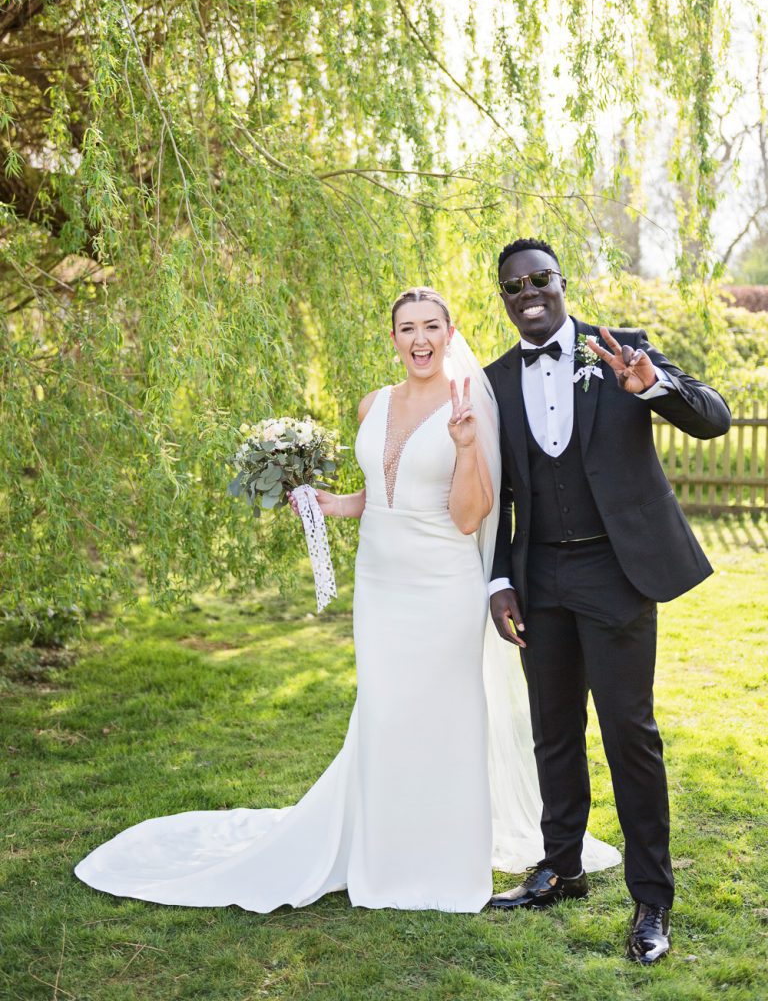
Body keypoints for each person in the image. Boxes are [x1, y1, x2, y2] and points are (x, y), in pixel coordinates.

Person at [75, 286, 618, 913]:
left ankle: (440, 856)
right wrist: (332, 503)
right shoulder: (374, 405)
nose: (419, 339)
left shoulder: (472, 406)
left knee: (442, 714)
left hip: (441, 584)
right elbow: (383, 493)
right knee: (383, 711)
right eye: (407, 328)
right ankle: (382, 846)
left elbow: (471, 516)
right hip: (379, 583)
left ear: (450, 332)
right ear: (393, 338)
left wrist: (467, 446)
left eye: (431, 327)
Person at [484, 238, 731, 962]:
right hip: (540, 581)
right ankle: (561, 868)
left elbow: (715, 417)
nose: (528, 292)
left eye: (540, 279)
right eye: (513, 286)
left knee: (630, 735)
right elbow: (495, 494)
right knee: (552, 731)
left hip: (617, 573)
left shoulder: (621, 351)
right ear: (504, 299)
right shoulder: (496, 380)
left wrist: (654, 386)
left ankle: (651, 900)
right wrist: (499, 579)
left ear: (562, 283)